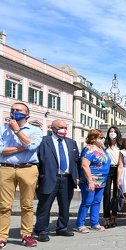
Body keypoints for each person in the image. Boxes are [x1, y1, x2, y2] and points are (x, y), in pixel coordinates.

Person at [0, 102, 42, 248]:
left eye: (18, 110)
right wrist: (23, 146)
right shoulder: (2, 129)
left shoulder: (35, 130)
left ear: (27, 114)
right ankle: (2, 236)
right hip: (6, 168)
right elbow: (1, 151)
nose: (14, 112)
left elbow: (32, 146)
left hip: (28, 168)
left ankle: (26, 235)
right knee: (4, 205)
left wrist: (17, 131)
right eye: (12, 110)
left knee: (27, 204)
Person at [35, 119, 79, 242]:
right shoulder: (43, 142)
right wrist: (37, 180)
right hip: (48, 179)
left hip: (67, 179)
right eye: (61, 128)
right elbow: (37, 161)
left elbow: (76, 161)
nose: (63, 130)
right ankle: (42, 230)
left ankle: (62, 228)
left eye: (65, 128)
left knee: (65, 205)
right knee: (44, 206)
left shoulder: (71, 143)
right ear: (53, 128)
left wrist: (76, 176)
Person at [75, 129, 111, 234]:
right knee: (87, 202)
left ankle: (95, 223)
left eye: (103, 137)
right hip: (90, 180)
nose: (103, 139)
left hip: (101, 181)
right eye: (101, 137)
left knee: (96, 202)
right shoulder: (89, 149)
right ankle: (80, 224)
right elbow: (85, 165)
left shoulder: (102, 149)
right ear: (93, 138)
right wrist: (90, 181)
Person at [103, 126, 123, 228]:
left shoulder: (121, 145)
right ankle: (106, 217)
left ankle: (114, 216)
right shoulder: (104, 145)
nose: (112, 133)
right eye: (110, 131)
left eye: (114, 132)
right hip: (107, 170)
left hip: (118, 169)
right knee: (106, 194)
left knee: (116, 194)